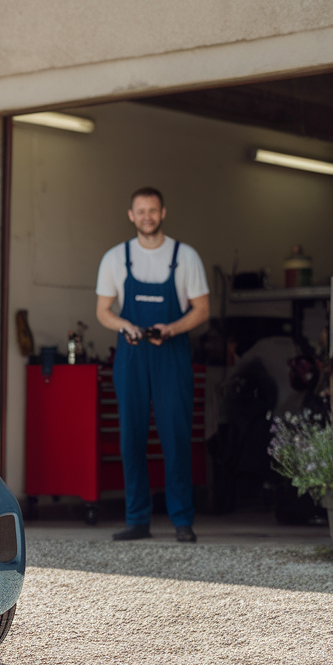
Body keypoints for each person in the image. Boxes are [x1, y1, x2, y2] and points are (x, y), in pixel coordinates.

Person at [95, 187, 210, 542]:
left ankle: (181, 520)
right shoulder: (116, 257)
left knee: (175, 435)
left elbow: (202, 309)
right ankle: (137, 519)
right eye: (141, 211)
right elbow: (103, 311)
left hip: (171, 354)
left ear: (163, 212)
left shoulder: (185, 256)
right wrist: (125, 326)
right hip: (132, 354)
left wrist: (172, 328)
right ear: (131, 215)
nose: (147, 216)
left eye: (153, 210)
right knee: (131, 436)